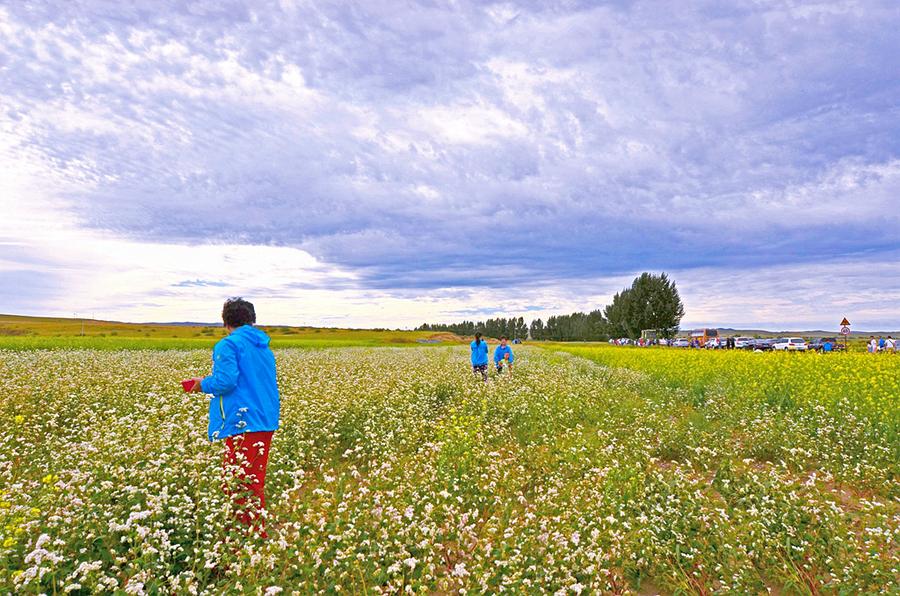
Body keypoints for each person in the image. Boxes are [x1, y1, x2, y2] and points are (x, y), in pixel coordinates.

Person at [183, 297, 280, 537]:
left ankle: (245, 542)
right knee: (252, 480)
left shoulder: (228, 345)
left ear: (226, 322)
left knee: (237, 484)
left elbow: (226, 381)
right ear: (252, 321)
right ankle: (254, 535)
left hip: (242, 421)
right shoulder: (263, 347)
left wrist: (201, 384)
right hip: (264, 419)